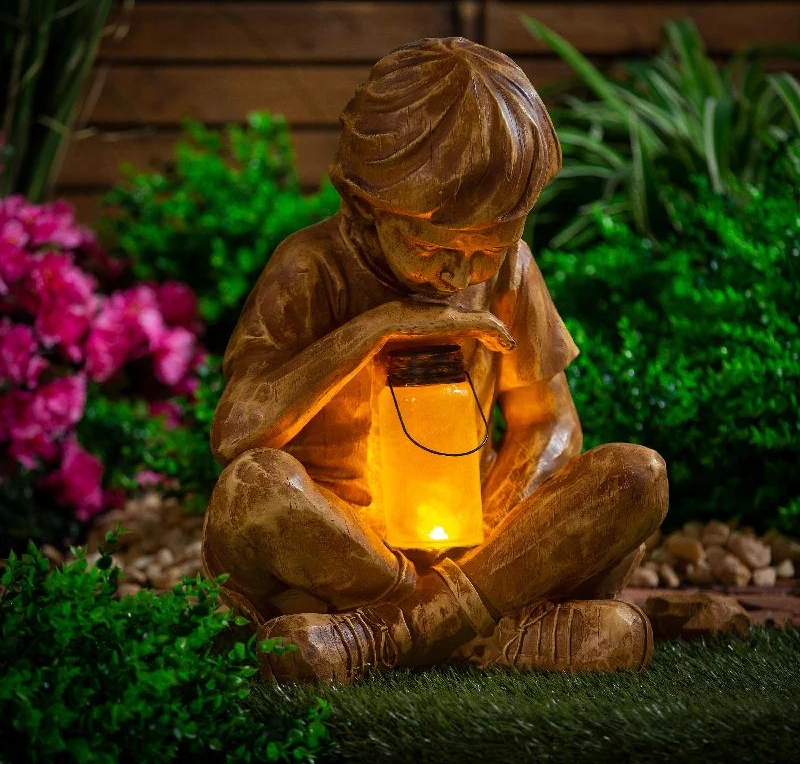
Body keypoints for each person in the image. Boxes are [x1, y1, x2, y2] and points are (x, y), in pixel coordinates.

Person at [202, 37, 668, 684]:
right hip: (346, 545)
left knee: (636, 477)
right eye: (430, 247)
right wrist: (377, 328)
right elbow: (235, 436)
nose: (459, 274)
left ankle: (385, 633)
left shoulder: (506, 269)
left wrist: (502, 525)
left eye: (486, 249)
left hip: (467, 542)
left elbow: (550, 423)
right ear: (366, 207)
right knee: (255, 491)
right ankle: (481, 625)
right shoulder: (312, 268)